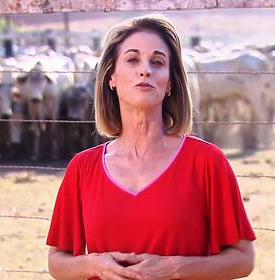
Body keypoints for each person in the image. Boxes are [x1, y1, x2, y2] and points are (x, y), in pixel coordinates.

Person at [46, 14, 255, 280]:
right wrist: (95, 265)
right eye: (132, 60)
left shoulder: (206, 161)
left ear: (169, 82)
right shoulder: (83, 168)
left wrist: (175, 268)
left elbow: (243, 259)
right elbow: (57, 262)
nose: (145, 70)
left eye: (157, 62)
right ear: (111, 76)